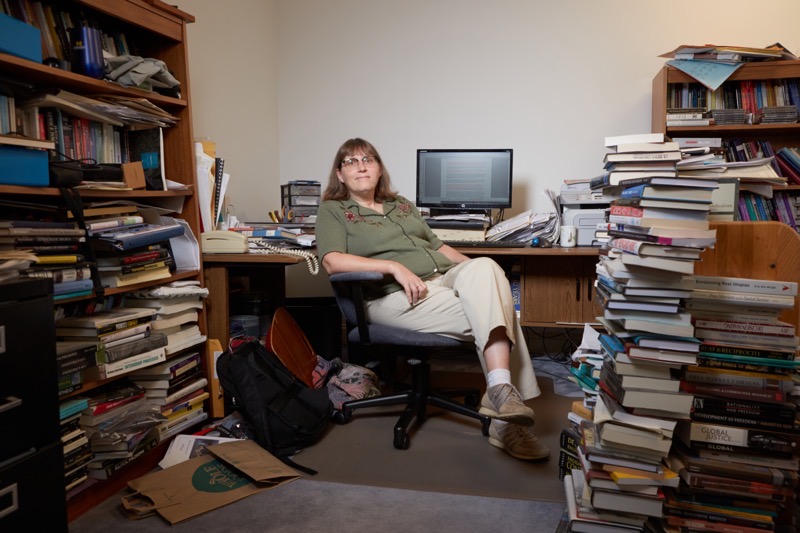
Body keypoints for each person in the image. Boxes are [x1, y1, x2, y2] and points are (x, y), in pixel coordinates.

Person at [314, 138, 549, 461]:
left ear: (379, 167)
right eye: (351, 162)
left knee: (488, 272)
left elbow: (439, 248)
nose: (361, 165)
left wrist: (486, 277)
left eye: (368, 159)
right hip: (390, 296)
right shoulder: (333, 210)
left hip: (439, 279)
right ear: (340, 174)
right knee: (498, 312)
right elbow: (332, 261)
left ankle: (498, 393)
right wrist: (393, 266)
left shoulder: (402, 205)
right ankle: (505, 421)